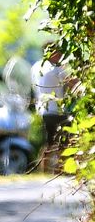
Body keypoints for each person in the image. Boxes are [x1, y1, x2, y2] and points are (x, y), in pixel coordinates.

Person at [31, 40, 72, 172]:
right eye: (58, 52)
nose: (60, 55)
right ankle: (60, 170)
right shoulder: (56, 69)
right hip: (56, 110)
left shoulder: (36, 67)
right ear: (52, 52)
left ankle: (45, 171)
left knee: (48, 142)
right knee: (62, 143)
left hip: (42, 110)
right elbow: (72, 83)